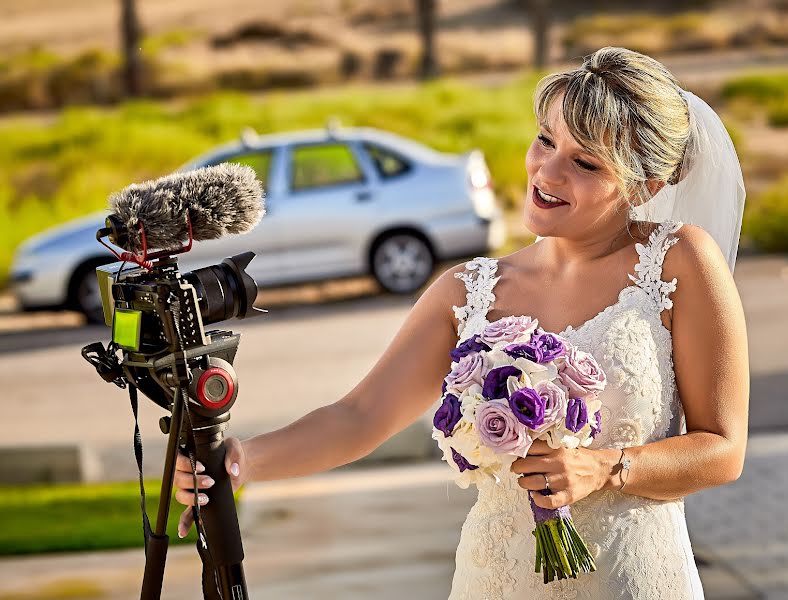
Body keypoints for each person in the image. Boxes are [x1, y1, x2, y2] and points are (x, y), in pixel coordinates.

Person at [173, 46, 750, 599]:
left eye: (584, 162)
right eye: (546, 140)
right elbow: (359, 416)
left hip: (633, 580)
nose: (547, 170)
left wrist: (604, 468)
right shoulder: (467, 290)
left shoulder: (679, 262)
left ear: (646, 186)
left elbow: (722, 449)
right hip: (496, 580)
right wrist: (242, 460)